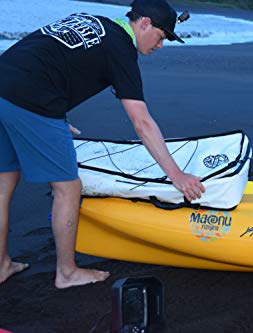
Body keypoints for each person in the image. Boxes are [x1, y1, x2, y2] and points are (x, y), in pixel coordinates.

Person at [0, 0, 205, 289]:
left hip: (5, 82)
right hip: (32, 101)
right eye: (162, 36)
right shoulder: (120, 49)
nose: (160, 46)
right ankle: (67, 273)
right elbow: (142, 122)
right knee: (68, 187)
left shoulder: (94, 21)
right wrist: (177, 175)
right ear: (144, 23)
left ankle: (1, 265)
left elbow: (50, 55)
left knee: (4, 180)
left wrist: (55, 116)